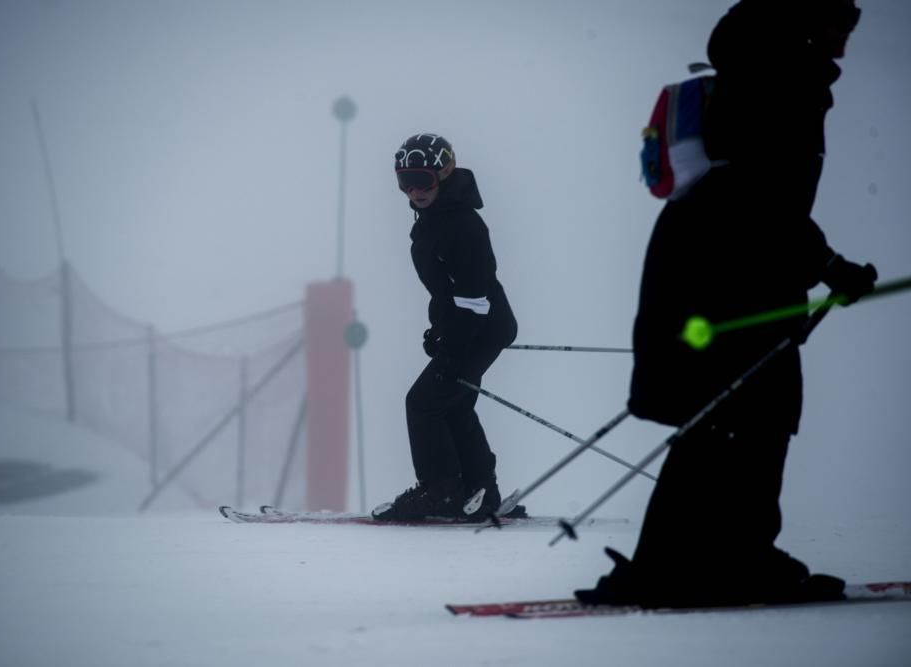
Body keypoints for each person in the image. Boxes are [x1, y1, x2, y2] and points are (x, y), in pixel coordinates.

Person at [576, 0, 877, 607]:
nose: (850, 23)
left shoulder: (765, 74)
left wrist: (818, 264)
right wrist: (827, 266)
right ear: (806, 19)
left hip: (714, 270)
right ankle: (706, 561)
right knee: (740, 418)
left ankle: (701, 558)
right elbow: (762, 201)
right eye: (840, 12)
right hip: (727, 277)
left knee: (726, 418)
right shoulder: (780, 81)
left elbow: (762, 201)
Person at [372, 133, 521, 522]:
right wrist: (438, 330)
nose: (415, 189)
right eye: (405, 181)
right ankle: (480, 494)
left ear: (444, 171)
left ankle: (439, 491)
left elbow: (473, 295)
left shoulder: (462, 225)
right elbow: (447, 290)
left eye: (422, 178)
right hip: (473, 326)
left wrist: (453, 346)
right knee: (452, 405)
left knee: (422, 403)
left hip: (480, 327)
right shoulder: (435, 218)